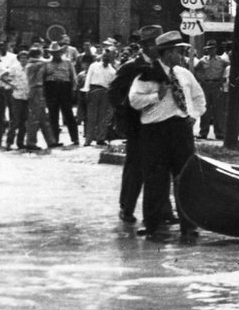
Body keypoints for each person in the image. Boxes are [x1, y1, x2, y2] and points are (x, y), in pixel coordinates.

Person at [128, 31, 207, 239]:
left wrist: (194, 115)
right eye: (178, 51)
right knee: (155, 181)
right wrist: (156, 95)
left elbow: (199, 97)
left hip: (181, 130)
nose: (181, 55)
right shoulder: (146, 74)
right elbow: (134, 101)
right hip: (155, 132)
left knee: (185, 178)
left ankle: (188, 225)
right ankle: (153, 226)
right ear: (167, 52)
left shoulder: (184, 74)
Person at [110, 26, 163, 221]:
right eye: (157, 43)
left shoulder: (163, 65)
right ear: (146, 46)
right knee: (135, 168)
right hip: (137, 125)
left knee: (159, 168)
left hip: (159, 123)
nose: (159, 48)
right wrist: (128, 116)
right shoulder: (130, 66)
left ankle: (163, 211)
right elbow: (114, 94)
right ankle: (127, 208)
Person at [42, 41, 80, 146]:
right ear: (51, 54)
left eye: (58, 52)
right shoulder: (46, 63)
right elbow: (43, 78)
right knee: (53, 115)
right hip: (51, 88)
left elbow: (73, 77)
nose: (56, 55)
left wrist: (73, 89)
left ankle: (75, 138)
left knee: (69, 114)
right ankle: (54, 140)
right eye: (54, 53)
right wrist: (44, 93)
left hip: (65, 88)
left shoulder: (67, 62)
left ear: (61, 53)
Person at [192, 43, 229, 141]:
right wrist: (201, 79)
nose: (211, 51)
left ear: (216, 49)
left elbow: (228, 70)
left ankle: (220, 133)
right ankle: (203, 132)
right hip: (206, 85)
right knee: (205, 109)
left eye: (212, 49)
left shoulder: (222, 61)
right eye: (209, 49)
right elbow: (196, 70)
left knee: (219, 110)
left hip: (217, 85)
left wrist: (224, 79)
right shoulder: (202, 60)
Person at [82, 46, 118, 145]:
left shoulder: (113, 71)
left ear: (111, 58)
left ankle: (100, 138)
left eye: (108, 57)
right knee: (91, 116)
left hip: (105, 92)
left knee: (103, 116)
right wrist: (86, 91)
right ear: (102, 56)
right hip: (94, 90)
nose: (106, 58)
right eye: (105, 56)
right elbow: (88, 78)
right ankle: (88, 140)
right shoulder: (94, 66)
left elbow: (113, 85)